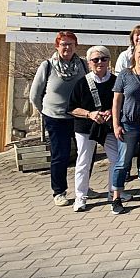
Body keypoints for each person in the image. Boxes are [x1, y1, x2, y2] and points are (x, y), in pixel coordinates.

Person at [30, 31, 88, 207]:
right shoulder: (47, 66)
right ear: (57, 46)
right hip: (56, 119)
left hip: (78, 117)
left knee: (85, 155)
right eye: (63, 44)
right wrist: (46, 111)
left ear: (76, 46)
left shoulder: (83, 65)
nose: (67, 48)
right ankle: (59, 191)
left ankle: (82, 187)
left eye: (70, 44)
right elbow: (35, 95)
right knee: (60, 155)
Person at [67, 46, 119, 212]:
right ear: (89, 63)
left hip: (108, 127)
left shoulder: (116, 81)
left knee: (116, 159)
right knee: (84, 161)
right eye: (95, 59)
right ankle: (80, 196)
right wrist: (90, 114)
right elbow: (71, 108)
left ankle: (114, 192)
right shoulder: (82, 83)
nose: (100, 62)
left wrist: (111, 112)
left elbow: (121, 102)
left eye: (103, 59)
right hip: (85, 128)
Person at [111, 41, 140, 214]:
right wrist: (116, 124)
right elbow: (116, 101)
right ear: (134, 55)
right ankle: (116, 196)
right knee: (123, 162)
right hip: (128, 124)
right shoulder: (125, 74)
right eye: (139, 52)